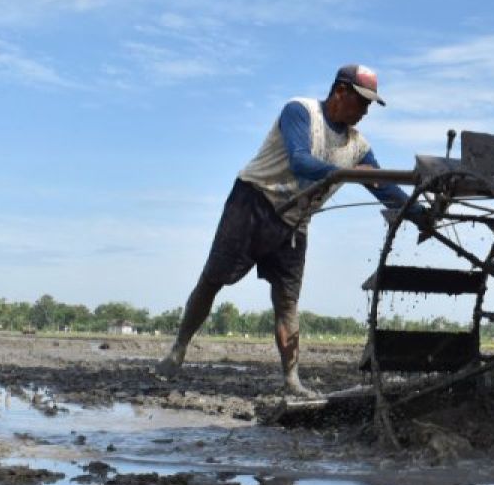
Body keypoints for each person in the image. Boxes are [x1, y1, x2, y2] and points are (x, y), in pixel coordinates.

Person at [156, 64, 419, 396]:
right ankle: (179, 347)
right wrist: (347, 173)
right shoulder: (300, 112)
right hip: (253, 203)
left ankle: (292, 379)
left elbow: (384, 187)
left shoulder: (358, 146)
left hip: (294, 221)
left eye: (370, 104)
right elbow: (301, 161)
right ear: (340, 91)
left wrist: (418, 211)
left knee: (287, 301)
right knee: (213, 279)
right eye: (361, 101)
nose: (365, 111)